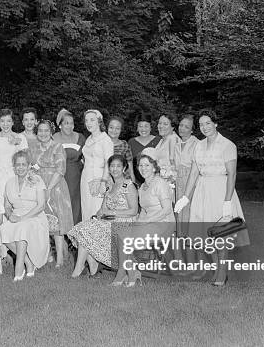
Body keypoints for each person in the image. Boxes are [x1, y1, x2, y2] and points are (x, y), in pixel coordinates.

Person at [174, 109, 250, 286]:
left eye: (208, 123)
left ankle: (222, 274)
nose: (204, 127)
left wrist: (227, 201)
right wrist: (185, 197)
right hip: (202, 190)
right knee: (208, 235)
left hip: (221, 190)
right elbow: (194, 172)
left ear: (215, 123)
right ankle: (217, 270)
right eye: (201, 124)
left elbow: (232, 174)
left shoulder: (227, 145)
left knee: (221, 234)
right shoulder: (198, 145)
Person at [113, 148, 176, 287]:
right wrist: (137, 223)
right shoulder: (142, 188)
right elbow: (143, 212)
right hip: (148, 223)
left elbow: (166, 210)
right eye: (140, 165)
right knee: (122, 233)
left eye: (147, 165)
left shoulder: (160, 184)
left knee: (127, 239)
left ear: (154, 167)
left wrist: (146, 221)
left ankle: (128, 274)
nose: (143, 168)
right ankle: (127, 273)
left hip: (163, 224)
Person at [68, 155, 138, 277]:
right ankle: (91, 264)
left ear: (124, 168)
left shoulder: (129, 186)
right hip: (109, 220)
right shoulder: (110, 186)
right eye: (112, 166)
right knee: (82, 228)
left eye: (118, 166)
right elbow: (103, 209)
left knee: (87, 231)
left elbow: (133, 211)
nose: (115, 169)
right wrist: (99, 215)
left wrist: (112, 213)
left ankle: (79, 268)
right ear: (109, 168)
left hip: (125, 222)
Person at [0, 150, 50, 281]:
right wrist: (9, 216)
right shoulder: (9, 182)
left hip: (35, 217)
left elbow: (41, 205)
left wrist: (22, 218)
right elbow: (7, 206)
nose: (20, 167)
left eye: (23, 164)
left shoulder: (37, 180)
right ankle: (29, 264)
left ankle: (18, 270)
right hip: (17, 216)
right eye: (17, 165)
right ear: (14, 167)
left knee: (22, 229)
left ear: (29, 165)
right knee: (4, 230)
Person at [29, 120, 75, 267]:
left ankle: (60, 259)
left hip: (55, 186)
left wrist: (48, 188)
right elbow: (31, 167)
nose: (43, 133)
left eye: (46, 130)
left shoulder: (57, 147)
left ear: (51, 132)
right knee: (42, 222)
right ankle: (46, 255)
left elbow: (60, 170)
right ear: (37, 132)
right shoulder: (33, 148)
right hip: (38, 185)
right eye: (40, 130)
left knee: (57, 223)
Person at [0, 109, 28, 204]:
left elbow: (25, 160)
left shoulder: (21, 138)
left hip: (14, 175)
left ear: (12, 122)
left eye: (8, 121)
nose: (5, 124)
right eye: (2, 121)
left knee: (13, 202)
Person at [174, 114, 200, 275]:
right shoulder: (176, 143)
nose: (182, 129)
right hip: (178, 184)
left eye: (186, 127)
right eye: (181, 125)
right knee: (179, 219)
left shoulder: (197, 144)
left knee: (189, 219)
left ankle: (192, 261)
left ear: (192, 130)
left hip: (191, 185)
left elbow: (196, 168)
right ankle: (180, 259)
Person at [53, 109, 85, 225]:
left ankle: (75, 234)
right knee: (61, 204)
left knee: (75, 204)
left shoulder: (80, 137)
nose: (69, 126)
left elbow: (86, 158)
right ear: (60, 125)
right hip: (59, 176)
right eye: (66, 123)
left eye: (72, 123)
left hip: (76, 176)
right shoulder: (53, 138)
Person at [80, 109, 113, 221]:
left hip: (99, 178)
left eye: (92, 120)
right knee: (87, 208)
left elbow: (109, 162)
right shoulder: (88, 139)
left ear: (99, 121)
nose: (88, 123)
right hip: (85, 178)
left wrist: (103, 182)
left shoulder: (105, 140)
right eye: (86, 120)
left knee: (97, 209)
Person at [127, 111, 160, 185]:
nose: (143, 129)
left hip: (155, 182)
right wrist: (133, 182)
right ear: (137, 128)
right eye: (140, 126)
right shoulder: (131, 142)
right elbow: (130, 165)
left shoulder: (158, 141)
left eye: (146, 126)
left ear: (151, 127)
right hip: (137, 182)